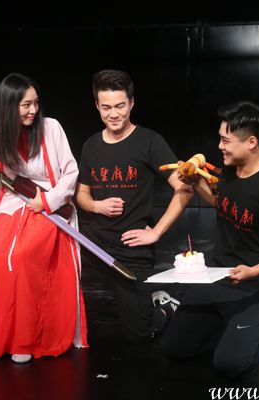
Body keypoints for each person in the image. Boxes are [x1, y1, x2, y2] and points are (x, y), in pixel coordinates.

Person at [160, 101, 259, 379]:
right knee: (174, 348)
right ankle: (229, 326)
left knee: (230, 365)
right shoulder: (231, 170)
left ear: (252, 142)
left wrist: (254, 271)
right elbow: (222, 203)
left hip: (255, 283)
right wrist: (195, 182)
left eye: (226, 141)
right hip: (218, 273)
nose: (220, 146)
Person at [0, 73, 88, 363]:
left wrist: (48, 201)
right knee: (0, 257)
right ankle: (0, 337)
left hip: (48, 203)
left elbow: (70, 172)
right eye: (26, 105)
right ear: (8, 106)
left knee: (24, 255)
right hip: (10, 204)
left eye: (36, 103)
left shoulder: (51, 128)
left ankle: (25, 339)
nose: (33, 110)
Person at [76, 69, 193, 343]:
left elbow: (185, 189)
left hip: (131, 247)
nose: (113, 114)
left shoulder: (150, 141)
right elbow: (81, 194)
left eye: (120, 106)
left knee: (139, 333)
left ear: (131, 103)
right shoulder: (91, 145)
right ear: (97, 106)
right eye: (106, 107)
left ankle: (165, 307)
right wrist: (96, 206)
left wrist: (156, 232)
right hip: (93, 242)